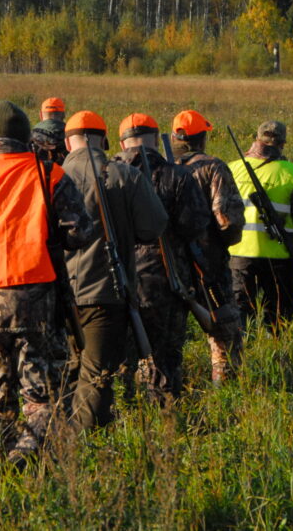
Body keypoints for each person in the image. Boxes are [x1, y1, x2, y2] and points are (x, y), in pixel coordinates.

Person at [0, 101, 92, 478]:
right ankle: (25, 458)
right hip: (37, 302)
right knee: (44, 397)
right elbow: (80, 233)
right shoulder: (49, 174)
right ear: (26, 138)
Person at [61, 111, 167, 429]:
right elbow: (153, 227)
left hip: (57, 295)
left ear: (67, 143)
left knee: (63, 374)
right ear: (106, 140)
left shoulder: (50, 177)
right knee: (97, 377)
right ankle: (84, 443)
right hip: (105, 295)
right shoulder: (124, 175)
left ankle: (58, 437)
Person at [113, 113, 209, 403]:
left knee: (120, 362)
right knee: (166, 360)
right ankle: (166, 417)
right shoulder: (177, 175)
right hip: (167, 280)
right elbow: (195, 226)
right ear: (156, 139)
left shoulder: (108, 174)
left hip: (117, 279)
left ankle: (122, 416)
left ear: (121, 142)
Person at [169, 110, 245, 383]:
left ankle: (166, 395)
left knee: (166, 339)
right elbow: (227, 220)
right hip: (208, 265)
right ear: (202, 139)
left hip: (168, 265)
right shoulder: (213, 167)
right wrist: (223, 243)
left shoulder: (163, 167)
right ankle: (225, 392)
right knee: (224, 335)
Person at [227, 121, 293, 332]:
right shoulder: (292, 172)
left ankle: (241, 351)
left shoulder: (232, 168)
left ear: (257, 139)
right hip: (279, 256)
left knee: (240, 315)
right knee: (279, 317)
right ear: (282, 144)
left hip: (239, 253)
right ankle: (276, 349)